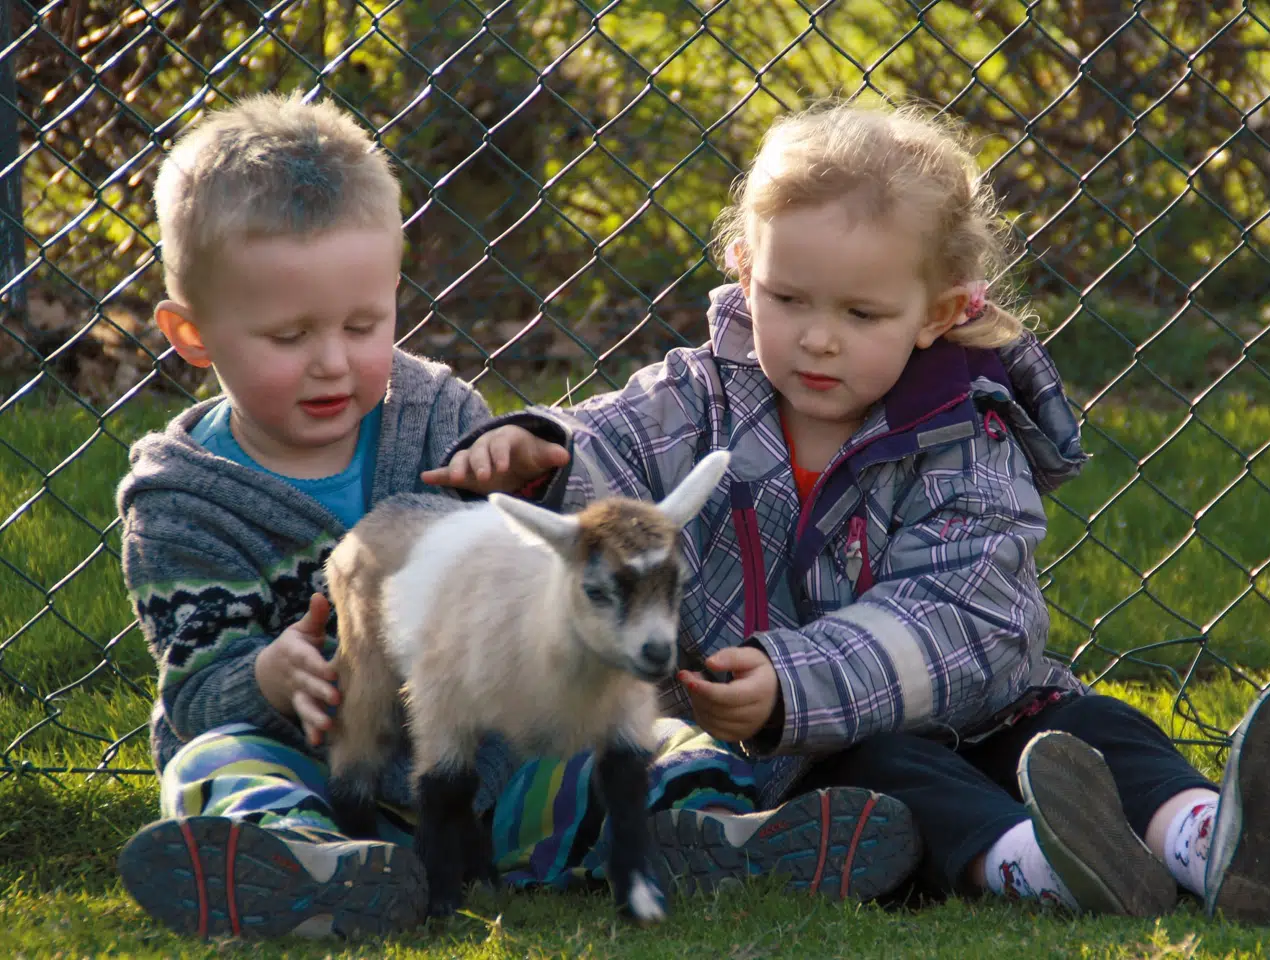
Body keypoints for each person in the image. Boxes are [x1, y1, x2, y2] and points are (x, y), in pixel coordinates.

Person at [433, 100, 1270, 924]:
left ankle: (1209, 837)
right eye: (788, 299)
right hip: (817, 755)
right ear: (745, 271)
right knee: (895, 784)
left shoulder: (966, 431)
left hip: (987, 705)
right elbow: (612, 447)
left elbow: (963, 616)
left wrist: (792, 680)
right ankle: (1048, 865)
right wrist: (545, 454)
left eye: (862, 313)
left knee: (1096, 730)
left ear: (938, 312)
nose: (818, 337)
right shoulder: (698, 396)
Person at [114, 92, 918, 941]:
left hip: (494, 764)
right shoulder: (183, 502)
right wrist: (268, 680)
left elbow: (546, 575)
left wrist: (537, 495)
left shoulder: (440, 417)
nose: (333, 363)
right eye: (287, 336)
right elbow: (198, 690)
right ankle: (313, 867)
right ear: (191, 334)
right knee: (219, 766)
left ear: (394, 291)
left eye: (363, 323)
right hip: (311, 767)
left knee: (647, 740)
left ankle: (716, 833)